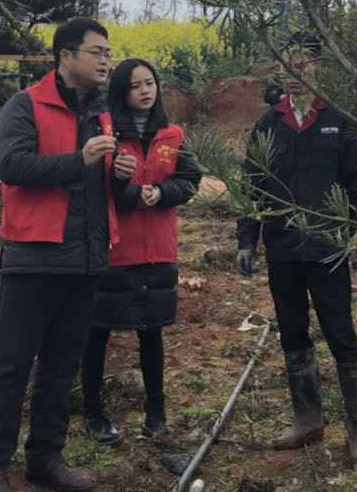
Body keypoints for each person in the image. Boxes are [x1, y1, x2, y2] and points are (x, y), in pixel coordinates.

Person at [0, 17, 137, 492]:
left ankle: (46, 457)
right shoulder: (24, 105)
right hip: (35, 255)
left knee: (63, 365)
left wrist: (119, 173)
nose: (106, 60)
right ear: (66, 57)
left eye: (108, 52)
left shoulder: (101, 113)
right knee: (12, 365)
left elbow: (100, 188)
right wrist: (79, 160)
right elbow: (13, 165)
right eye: (97, 52)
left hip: (85, 258)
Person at [236, 35, 357, 469]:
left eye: (305, 63)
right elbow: (251, 186)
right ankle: (307, 417)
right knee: (293, 334)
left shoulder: (340, 120)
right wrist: (248, 239)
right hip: (283, 250)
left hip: (328, 251)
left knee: (340, 334)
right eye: (288, 64)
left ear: (320, 66)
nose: (296, 72)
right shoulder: (269, 124)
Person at [80, 57, 203, 443]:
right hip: (116, 249)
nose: (145, 91)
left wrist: (162, 193)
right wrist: (129, 191)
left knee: (152, 334)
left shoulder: (173, 135)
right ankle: (94, 413)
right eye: (135, 86)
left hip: (158, 251)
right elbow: (91, 188)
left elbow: (190, 180)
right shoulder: (105, 133)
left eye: (149, 83)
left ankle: (156, 414)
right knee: (97, 333)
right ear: (121, 91)